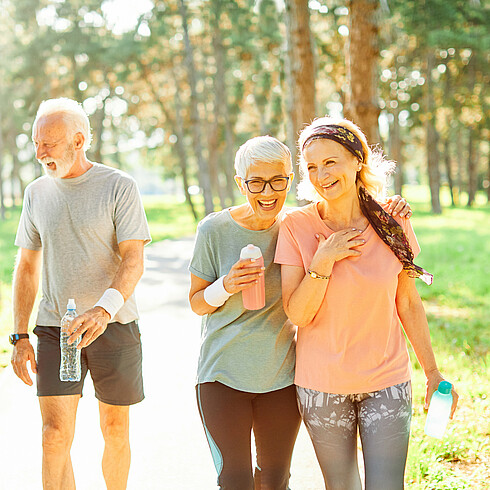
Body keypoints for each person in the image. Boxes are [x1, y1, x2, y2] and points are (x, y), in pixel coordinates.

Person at [188, 135, 412, 490]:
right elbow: (197, 302)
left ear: (290, 181)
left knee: (275, 480)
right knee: (234, 480)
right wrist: (226, 285)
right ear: (240, 183)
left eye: (277, 181)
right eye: (255, 183)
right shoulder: (214, 229)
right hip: (222, 375)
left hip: (280, 376)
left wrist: (390, 206)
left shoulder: (297, 226)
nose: (267, 193)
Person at [274, 116, 459, 490]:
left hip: (386, 381)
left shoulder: (392, 221)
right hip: (321, 385)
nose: (321, 174)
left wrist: (433, 372)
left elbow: (407, 302)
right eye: (311, 167)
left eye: (330, 162)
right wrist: (323, 259)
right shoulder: (296, 226)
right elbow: (297, 314)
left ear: (357, 160)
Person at [10, 97, 151, 490]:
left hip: (115, 325)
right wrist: (20, 336)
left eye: (49, 143)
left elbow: (133, 260)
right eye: (37, 143)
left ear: (79, 139)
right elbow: (26, 266)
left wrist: (103, 311)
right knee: (53, 435)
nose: (40, 153)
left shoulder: (119, 186)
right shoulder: (36, 193)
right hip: (57, 329)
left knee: (114, 428)